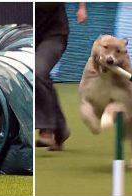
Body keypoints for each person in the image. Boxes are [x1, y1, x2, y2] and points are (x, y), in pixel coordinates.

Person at [35, 2, 87, 150]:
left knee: (38, 71)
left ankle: (47, 129)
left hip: (54, 35)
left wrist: (82, 7)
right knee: (42, 77)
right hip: (31, 33)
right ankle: (60, 129)